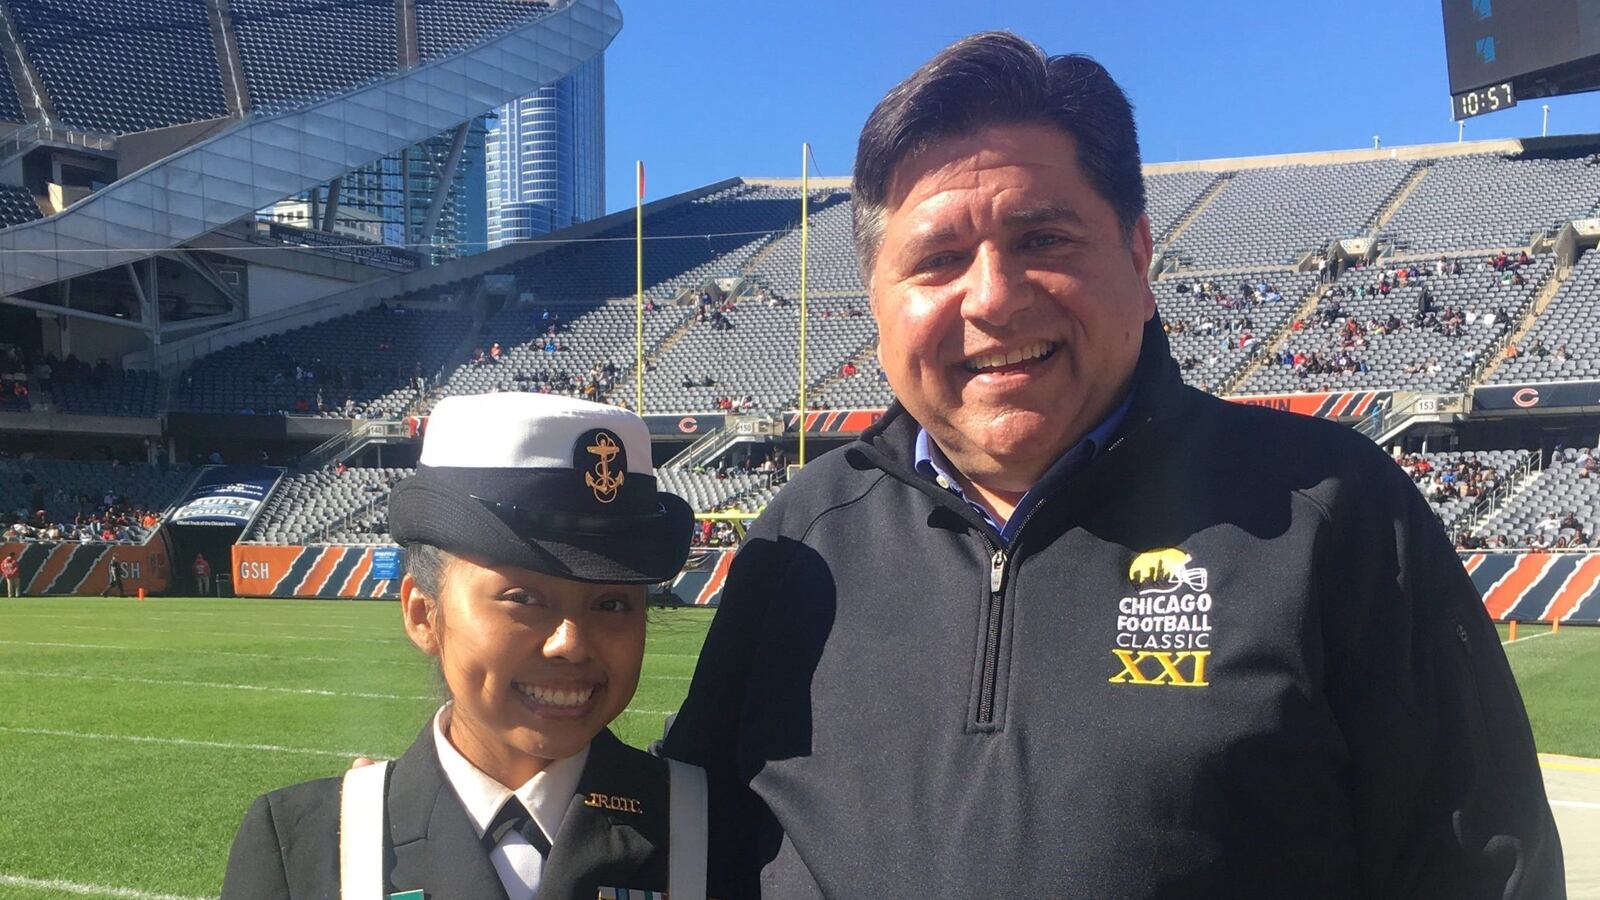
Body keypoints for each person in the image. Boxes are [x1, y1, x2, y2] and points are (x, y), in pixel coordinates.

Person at [663, 32, 1562, 898]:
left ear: (1137, 258)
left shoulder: (1331, 513)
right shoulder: (806, 536)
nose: (993, 296)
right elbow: (694, 844)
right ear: (877, 301)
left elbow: (1486, 873)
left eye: (1044, 240)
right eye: (937, 260)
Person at [221, 393, 723, 900]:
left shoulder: (716, 829)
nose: (570, 645)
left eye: (612, 605)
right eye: (524, 598)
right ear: (424, 614)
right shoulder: (300, 847)